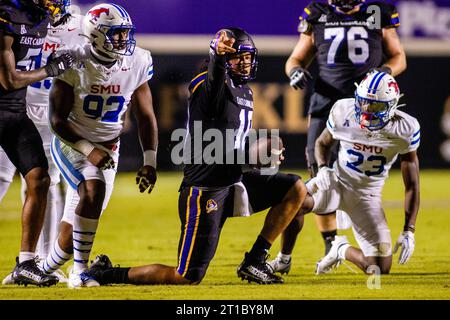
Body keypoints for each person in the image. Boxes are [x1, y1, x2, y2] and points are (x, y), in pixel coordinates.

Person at [81, 28, 307, 286]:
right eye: (237, 57)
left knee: (294, 188)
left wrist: (256, 152)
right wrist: (218, 59)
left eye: (247, 57)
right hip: (205, 189)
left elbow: (229, 141)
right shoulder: (206, 83)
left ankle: (255, 260)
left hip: (233, 180)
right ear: (220, 59)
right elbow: (213, 90)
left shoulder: (245, 91)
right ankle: (104, 272)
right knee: (187, 276)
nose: (244, 63)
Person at [268, 0, 407, 274]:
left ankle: (348, 239)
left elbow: (398, 57)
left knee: (362, 172)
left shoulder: (378, 11)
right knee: (319, 176)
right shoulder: (318, 12)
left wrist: (383, 74)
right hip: (327, 103)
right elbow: (295, 59)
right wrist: (295, 71)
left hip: (368, 104)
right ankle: (331, 242)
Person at [42, 3, 158, 288]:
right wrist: (88, 150)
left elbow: (146, 116)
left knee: (75, 233)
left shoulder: (138, 61)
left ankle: (43, 268)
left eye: (125, 34)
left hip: (109, 148)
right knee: (93, 190)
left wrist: (150, 160)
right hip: (72, 143)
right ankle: (80, 272)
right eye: (116, 34)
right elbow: (56, 120)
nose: (123, 40)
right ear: (95, 35)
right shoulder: (73, 62)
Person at [299, 72, 419, 274]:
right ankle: (281, 258)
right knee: (292, 200)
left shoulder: (405, 129)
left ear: (392, 106)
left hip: (367, 195)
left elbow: (412, 184)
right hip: (337, 182)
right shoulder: (343, 109)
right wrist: (322, 169)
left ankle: (340, 249)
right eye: (363, 103)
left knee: (379, 268)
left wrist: (409, 230)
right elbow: (322, 143)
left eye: (376, 106)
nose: (367, 111)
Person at [1, 0, 85, 285]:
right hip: (10, 101)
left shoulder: (50, 18)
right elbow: (9, 80)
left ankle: (30, 263)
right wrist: (52, 69)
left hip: (19, 112)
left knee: (41, 179)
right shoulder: (6, 15)